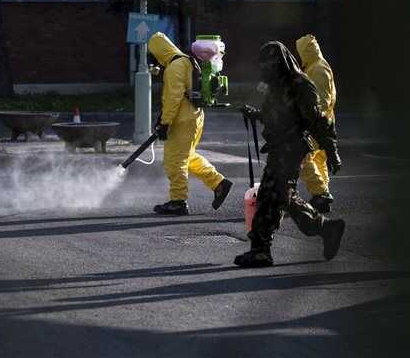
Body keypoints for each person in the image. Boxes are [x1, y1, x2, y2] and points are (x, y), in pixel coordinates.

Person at [235, 41, 345, 267]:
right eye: (264, 66)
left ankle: (262, 250)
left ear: (282, 62)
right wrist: (255, 115)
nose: (267, 70)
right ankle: (324, 228)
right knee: (280, 197)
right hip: (279, 148)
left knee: (272, 196)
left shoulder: (300, 85)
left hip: (292, 149)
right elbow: (273, 115)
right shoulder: (276, 85)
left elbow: (319, 122)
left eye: (271, 65)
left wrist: (332, 152)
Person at [147, 32, 232, 216]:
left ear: (159, 52)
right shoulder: (185, 60)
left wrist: (165, 123)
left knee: (174, 161)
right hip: (194, 117)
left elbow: (173, 98)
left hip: (182, 120)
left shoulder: (174, 66)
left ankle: (178, 201)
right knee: (188, 156)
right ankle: (218, 183)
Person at [296, 34, 338, 213]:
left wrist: (308, 116)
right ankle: (322, 193)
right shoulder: (315, 67)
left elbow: (320, 99)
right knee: (318, 158)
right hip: (321, 121)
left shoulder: (318, 69)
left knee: (304, 155)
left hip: (316, 122)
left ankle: (320, 193)